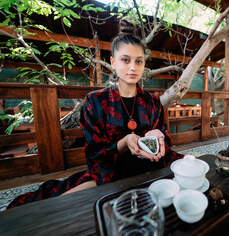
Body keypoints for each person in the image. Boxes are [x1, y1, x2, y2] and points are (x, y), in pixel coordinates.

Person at [7, 21, 183, 209]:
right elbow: (94, 153)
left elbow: (165, 142)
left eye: (138, 61)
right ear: (113, 62)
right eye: (125, 60)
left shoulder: (152, 102)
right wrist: (124, 143)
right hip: (110, 173)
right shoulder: (95, 101)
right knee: (52, 206)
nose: (133, 67)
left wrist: (158, 135)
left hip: (149, 169)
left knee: (193, 168)